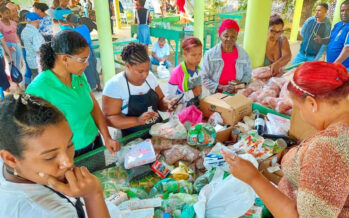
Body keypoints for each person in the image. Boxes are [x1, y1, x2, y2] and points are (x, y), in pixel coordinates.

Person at [222, 61, 349, 217]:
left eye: (298, 108)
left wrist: (253, 177)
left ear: (312, 104)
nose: (300, 114)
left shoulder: (327, 150)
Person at [0, 94, 121, 218]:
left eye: (69, 145)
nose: (68, 162)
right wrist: (93, 195)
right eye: (50, 157)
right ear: (10, 159)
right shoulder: (49, 212)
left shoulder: (11, 163)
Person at [26, 30, 120, 156]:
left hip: (94, 143)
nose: (87, 64)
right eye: (83, 59)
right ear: (65, 58)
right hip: (69, 154)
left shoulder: (78, 76)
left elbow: (94, 108)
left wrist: (107, 137)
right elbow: (36, 136)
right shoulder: (38, 89)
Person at [102, 42, 178, 138]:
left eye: (147, 70)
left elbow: (160, 100)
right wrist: (137, 120)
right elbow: (109, 118)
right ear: (128, 66)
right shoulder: (114, 86)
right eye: (140, 71)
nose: (145, 75)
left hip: (156, 132)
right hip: (131, 138)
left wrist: (168, 104)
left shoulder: (150, 77)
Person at [202, 19, 252, 94]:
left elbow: (247, 74)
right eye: (226, 36)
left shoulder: (244, 55)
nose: (229, 39)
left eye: (233, 37)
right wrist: (221, 87)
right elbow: (203, 78)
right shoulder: (210, 55)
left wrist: (240, 84)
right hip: (214, 95)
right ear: (220, 36)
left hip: (236, 93)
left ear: (236, 37)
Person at [64, 14, 101, 91]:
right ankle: (99, 85)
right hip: (91, 50)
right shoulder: (84, 27)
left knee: (87, 71)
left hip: (83, 53)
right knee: (93, 68)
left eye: (68, 23)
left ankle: (91, 89)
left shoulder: (73, 31)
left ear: (71, 23)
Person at [167, 36, 202, 107]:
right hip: (180, 115)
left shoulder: (200, 70)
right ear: (185, 54)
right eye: (194, 55)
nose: (198, 58)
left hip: (196, 112)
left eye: (200, 54)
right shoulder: (176, 73)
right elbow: (170, 100)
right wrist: (192, 93)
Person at [321, 0, 349, 68]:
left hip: (343, 69)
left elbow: (347, 49)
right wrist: (321, 40)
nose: (344, 13)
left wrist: (334, 65)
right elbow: (331, 39)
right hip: (332, 66)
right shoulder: (337, 25)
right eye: (342, 10)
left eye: (348, 10)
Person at [21, 12, 45, 83]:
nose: (39, 22)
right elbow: (38, 49)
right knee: (40, 80)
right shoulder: (35, 33)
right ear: (34, 21)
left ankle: (33, 92)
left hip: (30, 60)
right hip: (38, 61)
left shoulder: (24, 31)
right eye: (38, 20)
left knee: (34, 77)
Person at [0, 6, 22, 76]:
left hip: (17, 43)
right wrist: (5, 48)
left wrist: (19, 43)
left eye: (9, 13)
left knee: (18, 62)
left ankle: (18, 78)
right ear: (1, 13)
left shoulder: (13, 22)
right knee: (12, 63)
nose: (8, 15)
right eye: (6, 13)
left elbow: (16, 33)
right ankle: (14, 78)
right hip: (8, 44)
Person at [17, 10, 32, 88]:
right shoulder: (27, 26)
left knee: (28, 67)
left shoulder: (18, 26)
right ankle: (27, 86)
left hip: (23, 49)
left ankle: (27, 85)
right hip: (27, 49)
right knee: (29, 68)